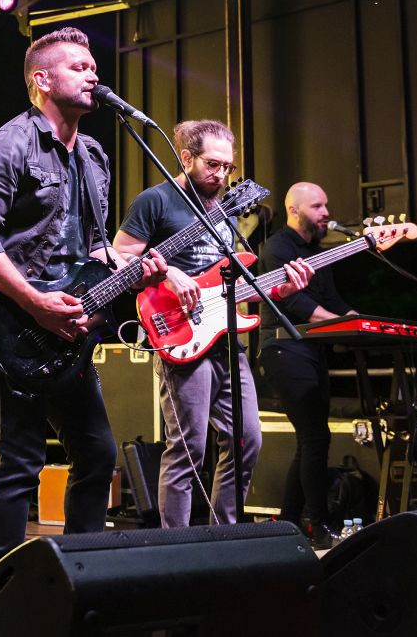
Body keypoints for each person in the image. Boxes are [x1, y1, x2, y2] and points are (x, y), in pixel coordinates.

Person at [0, 27, 166, 566]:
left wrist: (134, 271)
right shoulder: (9, 145)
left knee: (96, 454)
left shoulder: (93, 156)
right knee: (21, 459)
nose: (93, 74)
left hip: (69, 327)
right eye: (78, 67)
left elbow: (94, 247)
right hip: (10, 322)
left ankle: (77, 569)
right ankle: (4, 580)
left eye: (93, 67)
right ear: (42, 80)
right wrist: (35, 303)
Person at [112, 120, 312, 527]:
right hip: (179, 332)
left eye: (227, 167)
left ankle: (224, 536)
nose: (221, 174)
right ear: (186, 158)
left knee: (247, 439)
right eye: (212, 164)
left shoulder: (225, 212)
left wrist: (281, 289)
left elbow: (233, 285)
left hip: (225, 337)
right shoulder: (156, 201)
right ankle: (177, 546)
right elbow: (119, 257)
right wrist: (168, 272)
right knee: (189, 449)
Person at [258, 182, 356, 548]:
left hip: (311, 350)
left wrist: (360, 319)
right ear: (294, 210)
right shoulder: (277, 248)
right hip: (283, 350)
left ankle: (287, 525)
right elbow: (297, 304)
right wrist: (341, 323)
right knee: (315, 436)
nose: (326, 212)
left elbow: (332, 300)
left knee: (309, 440)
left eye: (326, 205)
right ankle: (319, 525)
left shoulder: (318, 253)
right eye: (317, 206)